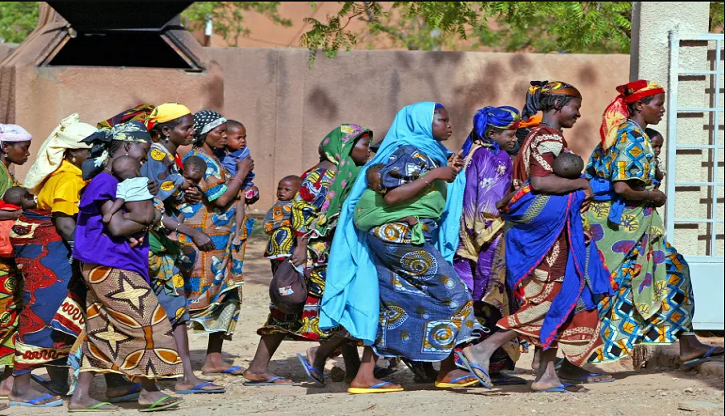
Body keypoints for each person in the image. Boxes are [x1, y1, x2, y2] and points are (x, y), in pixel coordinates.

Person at [459, 81, 615, 393]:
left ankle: (546, 374)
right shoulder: (546, 137)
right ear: (557, 106)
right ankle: (482, 349)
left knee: (567, 297)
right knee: (553, 297)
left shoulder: (535, 136)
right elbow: (541, 183)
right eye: (574, 107)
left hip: (548, 231)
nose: (579, 113)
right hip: (544, 235)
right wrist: (582, 186)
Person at [321, 102, 483, 394]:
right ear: (422, 123)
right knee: (453, 292)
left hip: (406, 234)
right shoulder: (409, 152)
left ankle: (366, 376)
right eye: (442, 120)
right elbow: (393, 195)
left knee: (395, 302)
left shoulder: (425, 152)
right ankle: (451, 366)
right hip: (400, 236)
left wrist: (446, 172)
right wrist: (434, 175)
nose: (448, 125)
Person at [586, 79, 724, 369]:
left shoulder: (633, 134)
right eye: (657, 104)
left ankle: (688, 344)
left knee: (674, 271)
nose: (662, 110)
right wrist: (652, 195)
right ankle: (581, 358)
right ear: (639, 105)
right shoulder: (629, 137)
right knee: (615, 289)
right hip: (622, 228)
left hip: (639, 226)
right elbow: (622, 188)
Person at [69, 120, 183, 412]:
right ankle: (149, 391)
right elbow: (118, 227)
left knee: (102, 329)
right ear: (128, 146)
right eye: (143, 150)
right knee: (148, 323)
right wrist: (146, 213)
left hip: (112, 263)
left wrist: (143, 198)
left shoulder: (121, 183)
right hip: (109, 264)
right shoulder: (106, 183)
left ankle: (81, 397)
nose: (145, 157)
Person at [245, 124, 372, 386]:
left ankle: (351, 367)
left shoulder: (346, 174)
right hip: (311, 251)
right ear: (345, 147)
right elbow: (301, 210)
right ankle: (260, 367)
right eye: (363, 145)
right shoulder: (320, 177)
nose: (367, 151)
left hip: (329, 250)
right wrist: (301, 249)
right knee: (295, 306)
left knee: (336, 305)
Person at [117, 102, 223, 395]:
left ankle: (172, 375)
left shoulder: (169, 156)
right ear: (165, 130)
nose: (191, 132)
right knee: (173, 311)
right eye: (185, 127)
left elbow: (162, 195)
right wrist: (190, 231)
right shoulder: (154, 156)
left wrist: (182, 194)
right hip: (152, 246)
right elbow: (147, 205)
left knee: (168, 312)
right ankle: (182, 376)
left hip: (158, 243)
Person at [452, 105, 526, 386]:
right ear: (493, 132)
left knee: (481, 301)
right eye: (510, 132)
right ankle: (486, 362)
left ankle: (488, 363)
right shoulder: (494, 157)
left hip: (472, 240)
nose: (514, 138)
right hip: (489, 239)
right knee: (491, 301)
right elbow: (487, 207)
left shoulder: (477, 153)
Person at [179, 110, 255, 377]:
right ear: (203, 134)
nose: (224, 137)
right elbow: (220, 199)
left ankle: (213, 359)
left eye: (226, 132)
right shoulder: (198, 161)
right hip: (204, 243)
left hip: (225, 241)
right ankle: (178, 362)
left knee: (226, 296)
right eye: (219, 132)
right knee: (192, 297)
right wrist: (242, 173)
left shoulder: (218, 160)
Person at [0, 124, 32, 402]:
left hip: (7, 257)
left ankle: (9, 380)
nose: (28, 153)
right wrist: (20, 211)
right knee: (6, 315)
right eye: (24, 147)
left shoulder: (6, 171)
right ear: (6, 147)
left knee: (11, 314)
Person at [218, 120, 258, 247]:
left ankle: (237, 232)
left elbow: (243, 171)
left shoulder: (243, 153)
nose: (243, 141)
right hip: (227, 186)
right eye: (238, 138)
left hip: (242, 185)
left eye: (244, 137)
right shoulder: (218, 153)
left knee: (240, 204)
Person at [262, 175, 302, 272]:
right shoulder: (277, 206)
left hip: (290, 247)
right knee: (277, 272)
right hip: (276, 247)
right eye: (279, 189)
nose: (281, 192)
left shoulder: (298, 207)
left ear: (298, 192)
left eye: (287, 190)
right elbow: (267, 224)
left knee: (288, 272)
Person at [102, 156, 155, 225]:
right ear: (137, 171)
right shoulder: (145, 179)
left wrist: (109, 213)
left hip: (135, 216)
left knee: (121, 217)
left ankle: (131, 235)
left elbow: (120, 200)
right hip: (151, 215)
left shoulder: (122, 185)